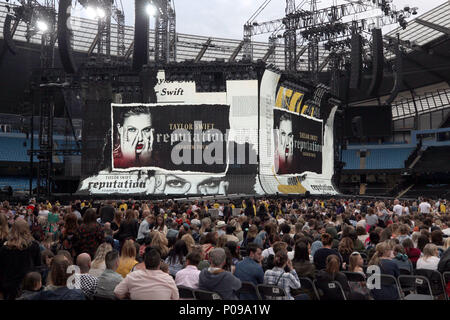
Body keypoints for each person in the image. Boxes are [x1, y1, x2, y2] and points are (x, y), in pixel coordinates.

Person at [0, 219, 41, 300]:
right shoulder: (34, 245)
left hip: (9, 286)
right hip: (28, 285)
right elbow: (38, 266)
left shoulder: (5, 248)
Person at [114, 248, 179, 300]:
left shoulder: (133, 276)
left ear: (144, 263)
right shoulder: (168, 279)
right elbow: (176, 298)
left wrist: (129, 295)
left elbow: (117, 292)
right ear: (159, 264)